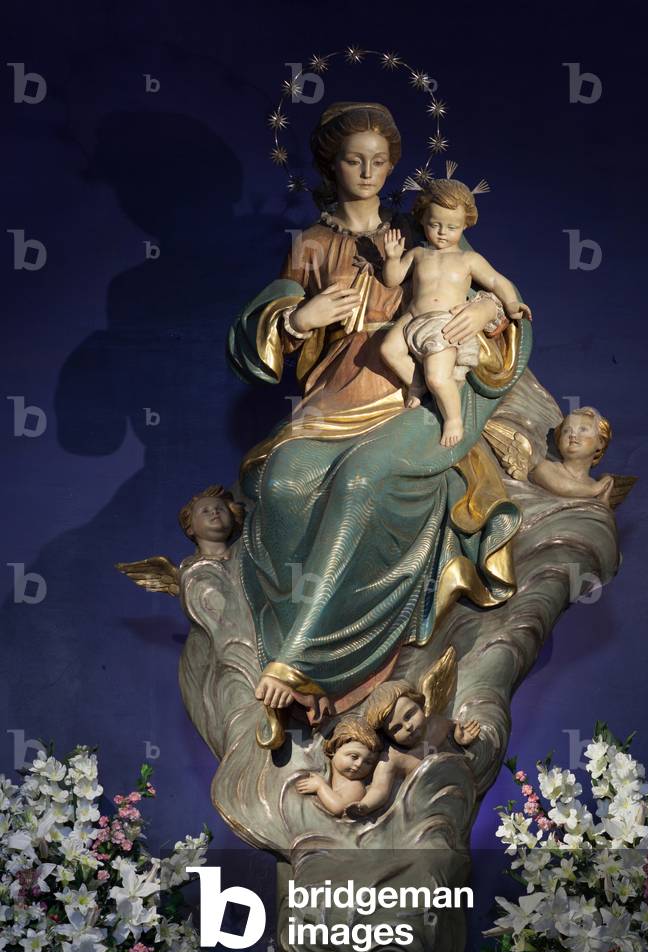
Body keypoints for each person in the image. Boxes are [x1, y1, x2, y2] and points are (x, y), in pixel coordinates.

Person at [227, 101, 532, 728]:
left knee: (364, 480)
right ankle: (299, 652)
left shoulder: (426, 228)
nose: (367, 172)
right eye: (352, 160)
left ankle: (303, 665)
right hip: (332, 399)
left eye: (379, 160)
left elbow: (497, 297)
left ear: (394, 165)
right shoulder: (311, 244)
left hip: (410, 394)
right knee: (281, 484)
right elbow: (260, 325)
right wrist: (298, 317)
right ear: (329, 166)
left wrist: (484, 313)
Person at [380, 178, 532, 447]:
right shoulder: (417, 254)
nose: (441, 232)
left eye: (452, 227)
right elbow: (393, 280)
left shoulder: (468, 259)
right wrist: (392, 258)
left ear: (465, 225)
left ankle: (453, 419)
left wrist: (511, 304)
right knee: (388, 351)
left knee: (438, 378)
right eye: (434, 224)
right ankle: (414, 383)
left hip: (444, 323)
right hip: (413, 318)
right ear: (422, 219)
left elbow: (496, 281)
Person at [346, 683, 480, 817]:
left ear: (419, 704)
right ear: (387, 736)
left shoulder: (438, 724)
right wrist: (364, 806)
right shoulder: (392, 758)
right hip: (427, 807)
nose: (408, 726)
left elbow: (455, 735)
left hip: (460, 788)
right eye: (396, 728)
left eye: (409, 715)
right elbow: (379, 789)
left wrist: (459, 740)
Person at [295, 717, 382, 816]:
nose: (359, 764)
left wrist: (320, 787)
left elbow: (340, 808)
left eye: (368, 762)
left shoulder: (355, 786)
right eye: (354, 757)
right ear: (335, 749)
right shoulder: (324, 768)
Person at [530, 407, 614, 505]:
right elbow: (562, 486)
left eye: (583, 429)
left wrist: (603, 500)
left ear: (600, 442)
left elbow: (601, 517)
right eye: (566, 431)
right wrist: (594, 490)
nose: (573, 435)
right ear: (559, 442)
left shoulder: (596, 485)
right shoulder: (546, 468)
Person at [178, 484, 244, 565]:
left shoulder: (246, 556)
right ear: (190, 529)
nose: (215, 512)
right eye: (205, 511)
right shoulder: (190, 567)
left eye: (220, 508)